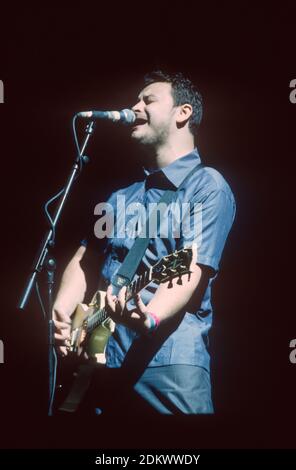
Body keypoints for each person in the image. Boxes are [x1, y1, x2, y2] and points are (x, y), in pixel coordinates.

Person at [53, 71, 236, 415]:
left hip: (166, 364)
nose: (134, 107)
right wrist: (65, 310)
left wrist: (149, 317)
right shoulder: (119, 196)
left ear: (183, 113)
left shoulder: (207, 186)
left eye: (147, 100)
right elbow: (85, 258)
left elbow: (192, 268)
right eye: (136, 100)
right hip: (101, 362)